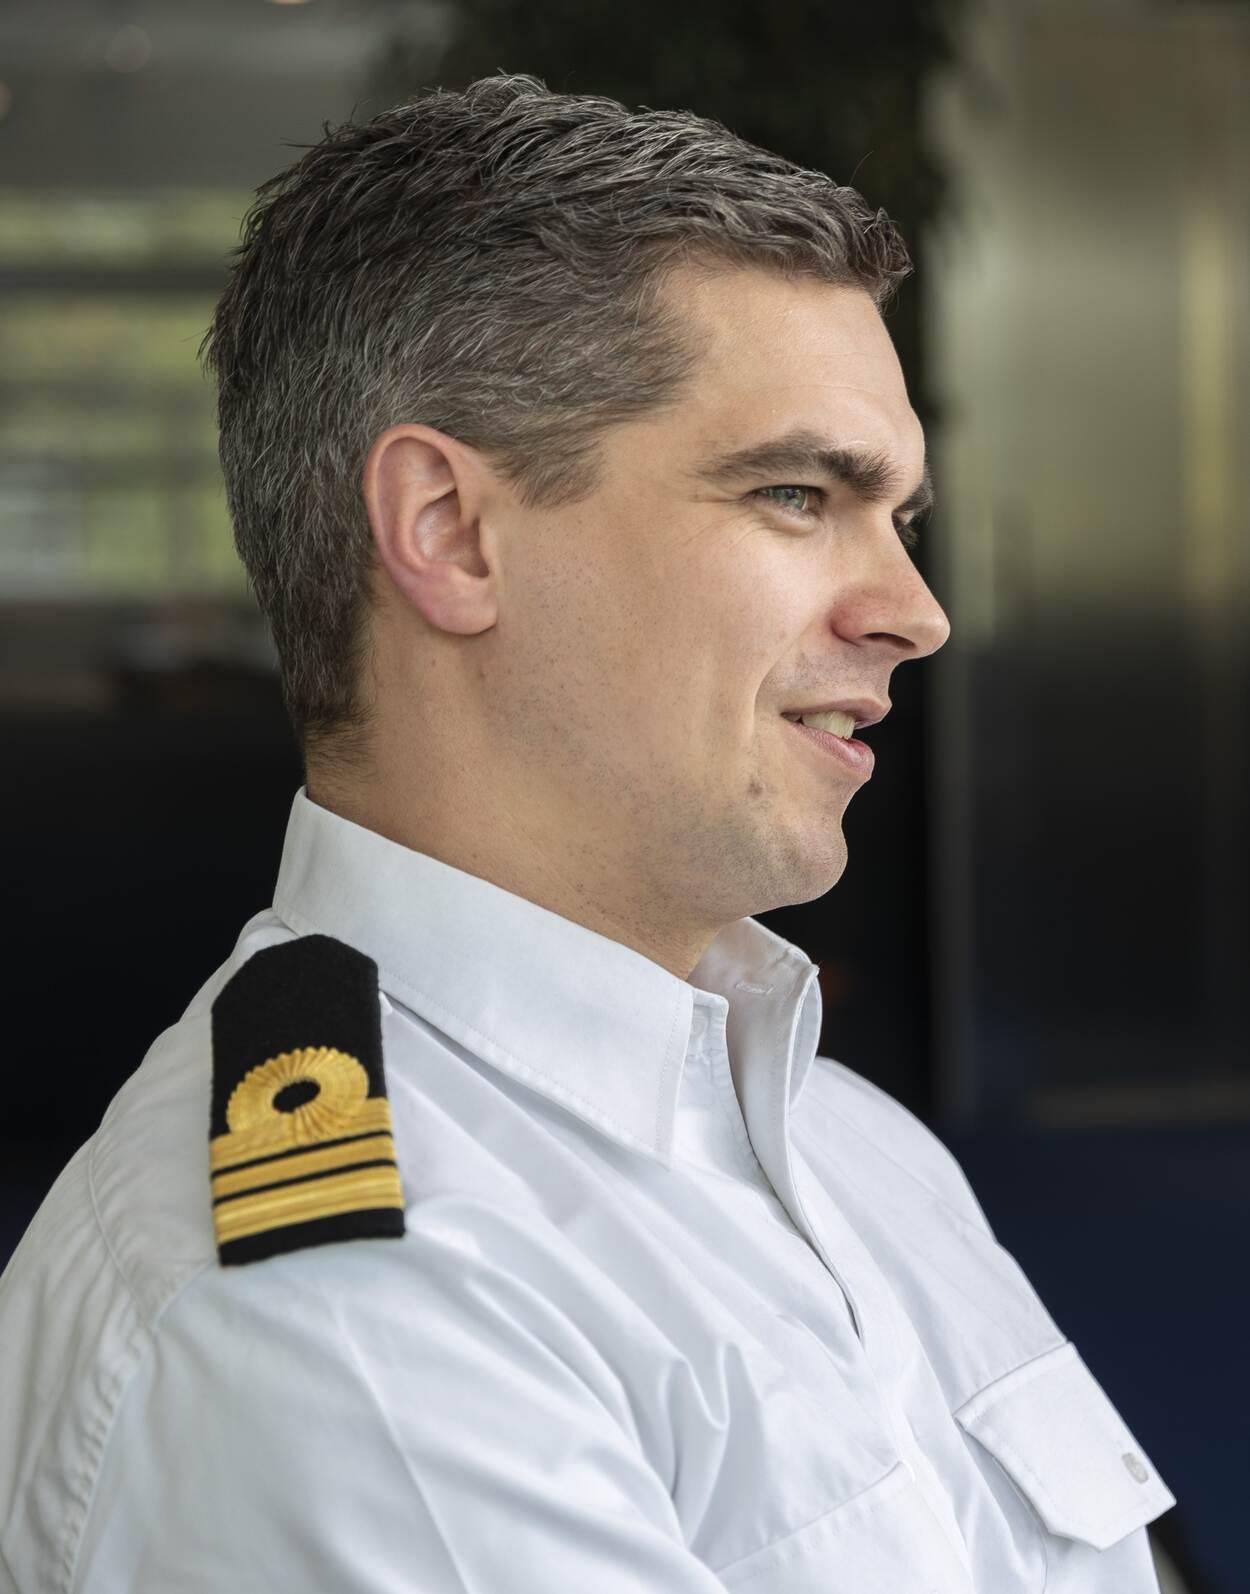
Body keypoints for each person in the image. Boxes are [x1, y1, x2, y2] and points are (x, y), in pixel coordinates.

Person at [0, 71, 1174, 1593]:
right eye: (795, 493)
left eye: (901, 520)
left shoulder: (846, 1142)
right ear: (449, 532)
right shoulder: (341, 1317)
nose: (914, 612)